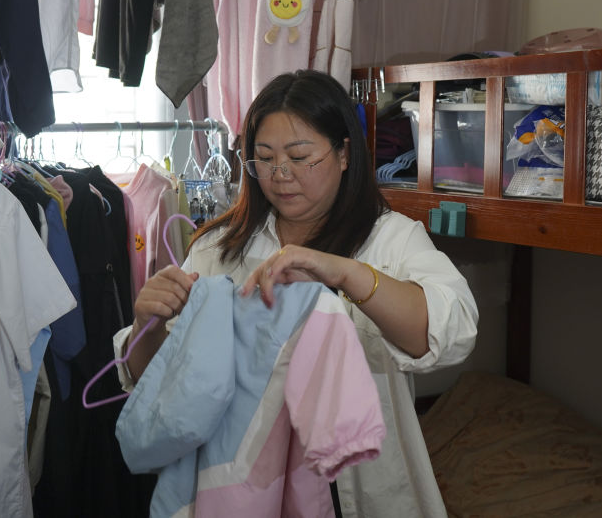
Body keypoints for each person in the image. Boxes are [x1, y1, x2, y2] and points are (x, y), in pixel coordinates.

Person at [116, 70, 478, 517]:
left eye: (300, 156)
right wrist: (146, 327)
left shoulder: (391, 241)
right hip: (242, 488)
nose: (280, 175)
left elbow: (452, 330)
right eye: (264, 158)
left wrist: (347, 274)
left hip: (355, 488)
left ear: (344, 153)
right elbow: (157, 382)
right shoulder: (218, 249)